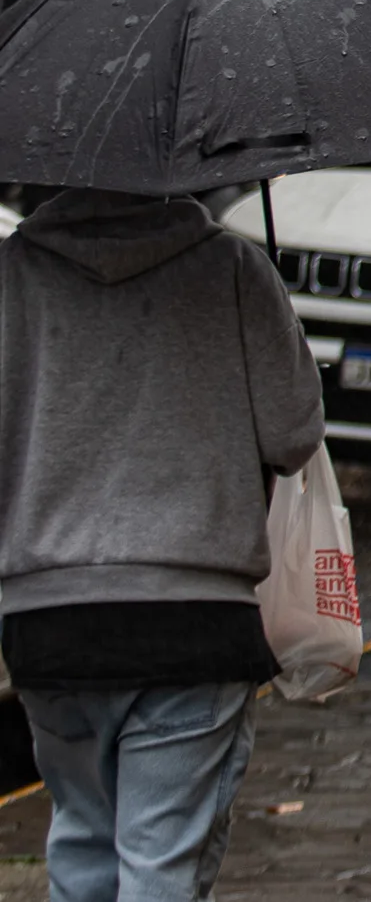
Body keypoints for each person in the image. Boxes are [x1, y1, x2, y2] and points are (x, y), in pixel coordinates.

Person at [0, 189, 325, 901]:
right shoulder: (235, 268)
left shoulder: (11, 273)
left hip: (49, 623)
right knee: (160, 864)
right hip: (193, 619)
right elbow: (293, 433)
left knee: (82, 845)